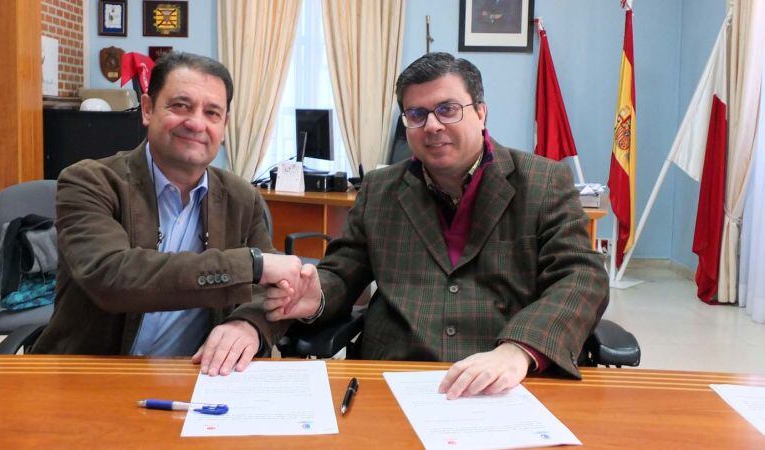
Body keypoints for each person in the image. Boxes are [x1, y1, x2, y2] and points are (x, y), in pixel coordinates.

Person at [263, 52, 609, 398]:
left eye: (448, 109)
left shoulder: (543, 180)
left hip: (506, 379)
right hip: (396, 374)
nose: (432, 125)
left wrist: (519, 349)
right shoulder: (380, 189)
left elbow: (581, 276)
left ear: (481, 113)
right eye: (417, 114)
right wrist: (317, 294)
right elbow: (342, 272)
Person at [32, 52, 304, 377]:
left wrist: (248, 325)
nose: (196, 123)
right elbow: (112, 276)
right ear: (147, 109)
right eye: (181, 106)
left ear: (224, 126)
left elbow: (272, 295)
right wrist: (251, 265)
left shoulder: (242, 198)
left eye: (212, 112)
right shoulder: (89, 181)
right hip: (91, 375)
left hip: (194, 378)